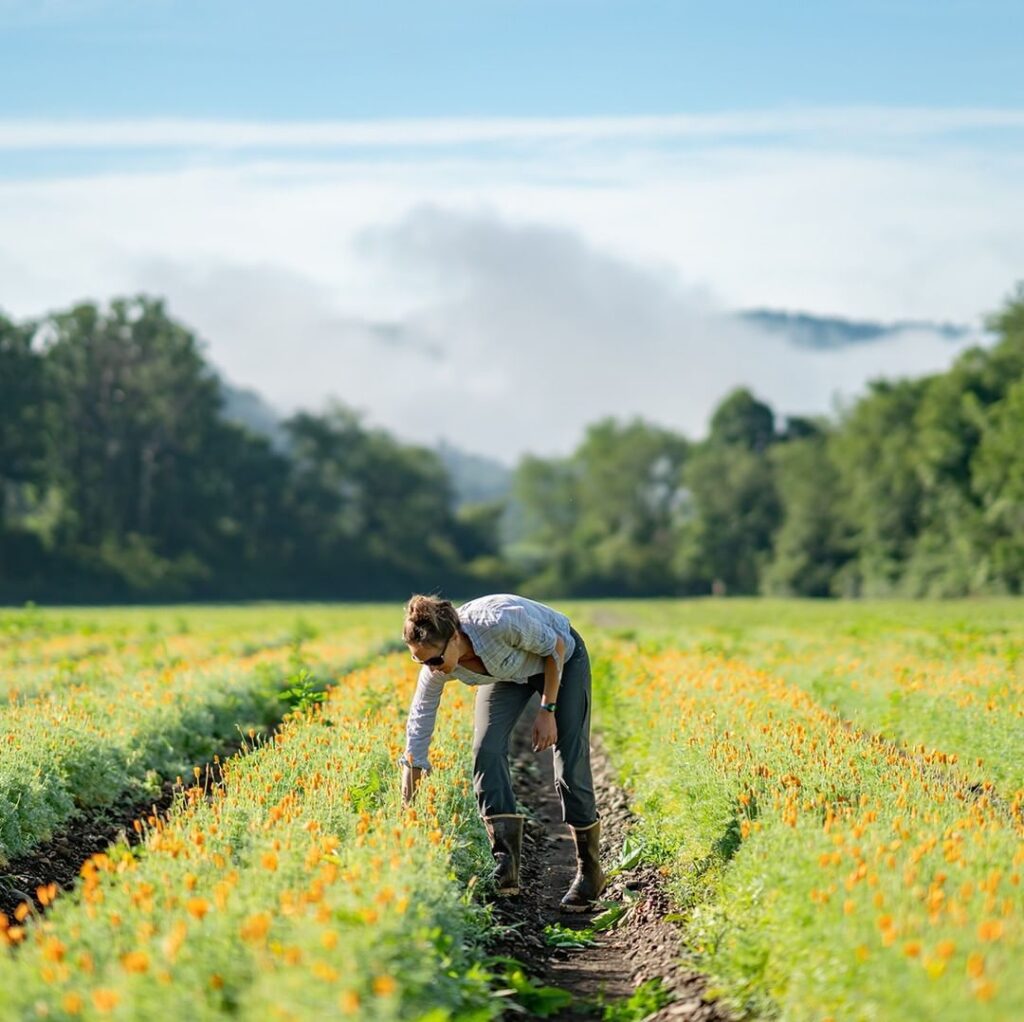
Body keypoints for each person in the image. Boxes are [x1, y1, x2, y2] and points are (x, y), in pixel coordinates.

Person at [400, 593, 605, 912]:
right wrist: (407, 800)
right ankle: (505, 867)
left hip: (560, 659)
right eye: (420, 660)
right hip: (507, 673)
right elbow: (418, 727)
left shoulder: (499, 624)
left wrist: (547, 709)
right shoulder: (435, 666)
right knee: (487, 749)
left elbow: (555, 648)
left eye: (435, 660)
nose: (431, 669)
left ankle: (589, 871)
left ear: (454, 638)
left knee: (569, 761)